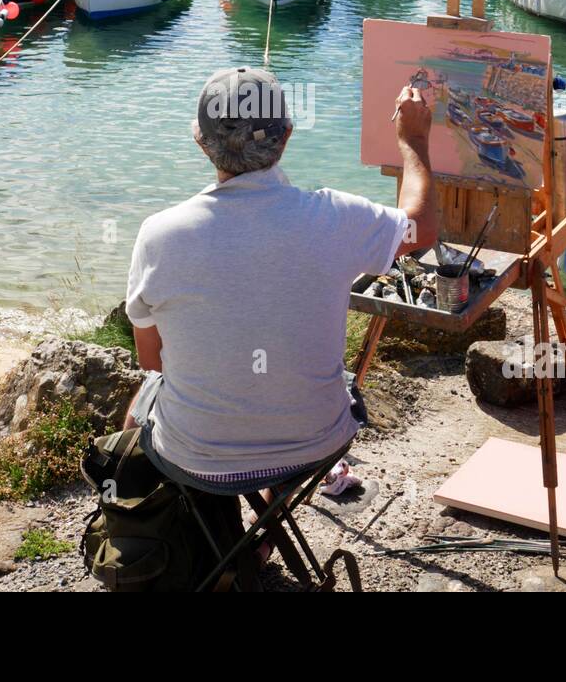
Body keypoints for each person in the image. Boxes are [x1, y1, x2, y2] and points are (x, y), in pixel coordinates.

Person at [123, 66, 437, 490]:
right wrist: (413, 140)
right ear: (286, 136)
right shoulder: (334, 218)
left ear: (201, 142)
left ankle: (138, 516)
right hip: (316, 444)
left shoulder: (159, 235)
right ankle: (267, 525)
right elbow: (419, 228)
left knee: (148, 396)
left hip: (196, 457)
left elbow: (151, 361)